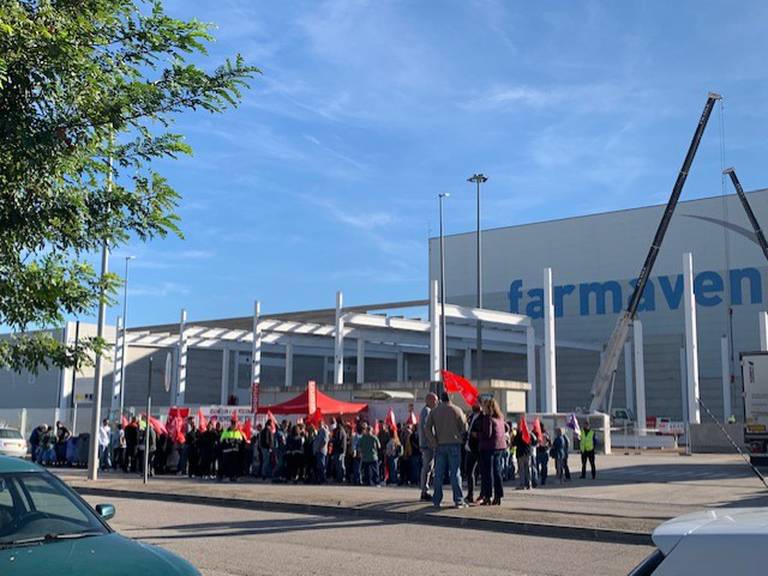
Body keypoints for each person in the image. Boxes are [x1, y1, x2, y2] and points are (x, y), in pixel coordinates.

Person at [424, 392, 468, 508]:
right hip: (454, 444)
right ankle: (458, 500)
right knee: (455, 473)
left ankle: (436, 500)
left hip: (439, 445)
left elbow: (427, 428)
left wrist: (433, 441)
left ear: (440, 399)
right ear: (451, 398)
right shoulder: (457, 410)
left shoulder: (434, 411)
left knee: (438, 474)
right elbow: (464, 427)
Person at [479, 398, 507, 505]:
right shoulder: (500, 418)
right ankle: (498, 496)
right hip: (499, 447)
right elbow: (507, 428)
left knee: (487, 473)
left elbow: (487, 434)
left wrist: (478, 435)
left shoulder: (488, 418)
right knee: (497, 472)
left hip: (488, 448)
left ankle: (487, 496)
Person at [418, 392, 438, 501]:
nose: (437, 402)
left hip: (426, 444)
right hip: (428, 445)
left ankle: (425, 490)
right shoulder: (427, 411)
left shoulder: (427, 411)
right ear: (429, 400)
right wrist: (433, 441)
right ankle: (424, 491)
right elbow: (427, 429)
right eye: (435, 400)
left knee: (428, 468)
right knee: (427, 468)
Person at [464, 403, 482, 504]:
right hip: (469, 447)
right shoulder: (471, 417)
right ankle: (470, 494)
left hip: (477, 448)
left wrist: (477, 435)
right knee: (469, 472)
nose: (474, 405)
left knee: (481, 472)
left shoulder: (482, 417)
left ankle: (483, 494)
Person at [513, 422, 532, 489]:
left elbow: (514, 443)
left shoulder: (519, 435)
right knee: (528, 469)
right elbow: (533, 441)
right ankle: (529, 484)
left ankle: (522, 484)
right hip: (528, 454)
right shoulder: (528, 434)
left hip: (520, 454)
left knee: (521, 470)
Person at [331, 417, 347, 483]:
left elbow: (338, 440)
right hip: (341, 450)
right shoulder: (342, 430)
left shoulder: (340, 430)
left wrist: (332, 440)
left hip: (339, 450)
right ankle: (340, 478)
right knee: (339, 465)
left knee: (339, 465)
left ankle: (340, 478)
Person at [536, 422, 551, 486]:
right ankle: (543, 479)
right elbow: (550, 443)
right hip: (545, 451)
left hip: (540, 452)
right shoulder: (546, 434)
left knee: (537, 466)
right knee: (544, 466)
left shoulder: (538, 434)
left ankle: (539, 478)